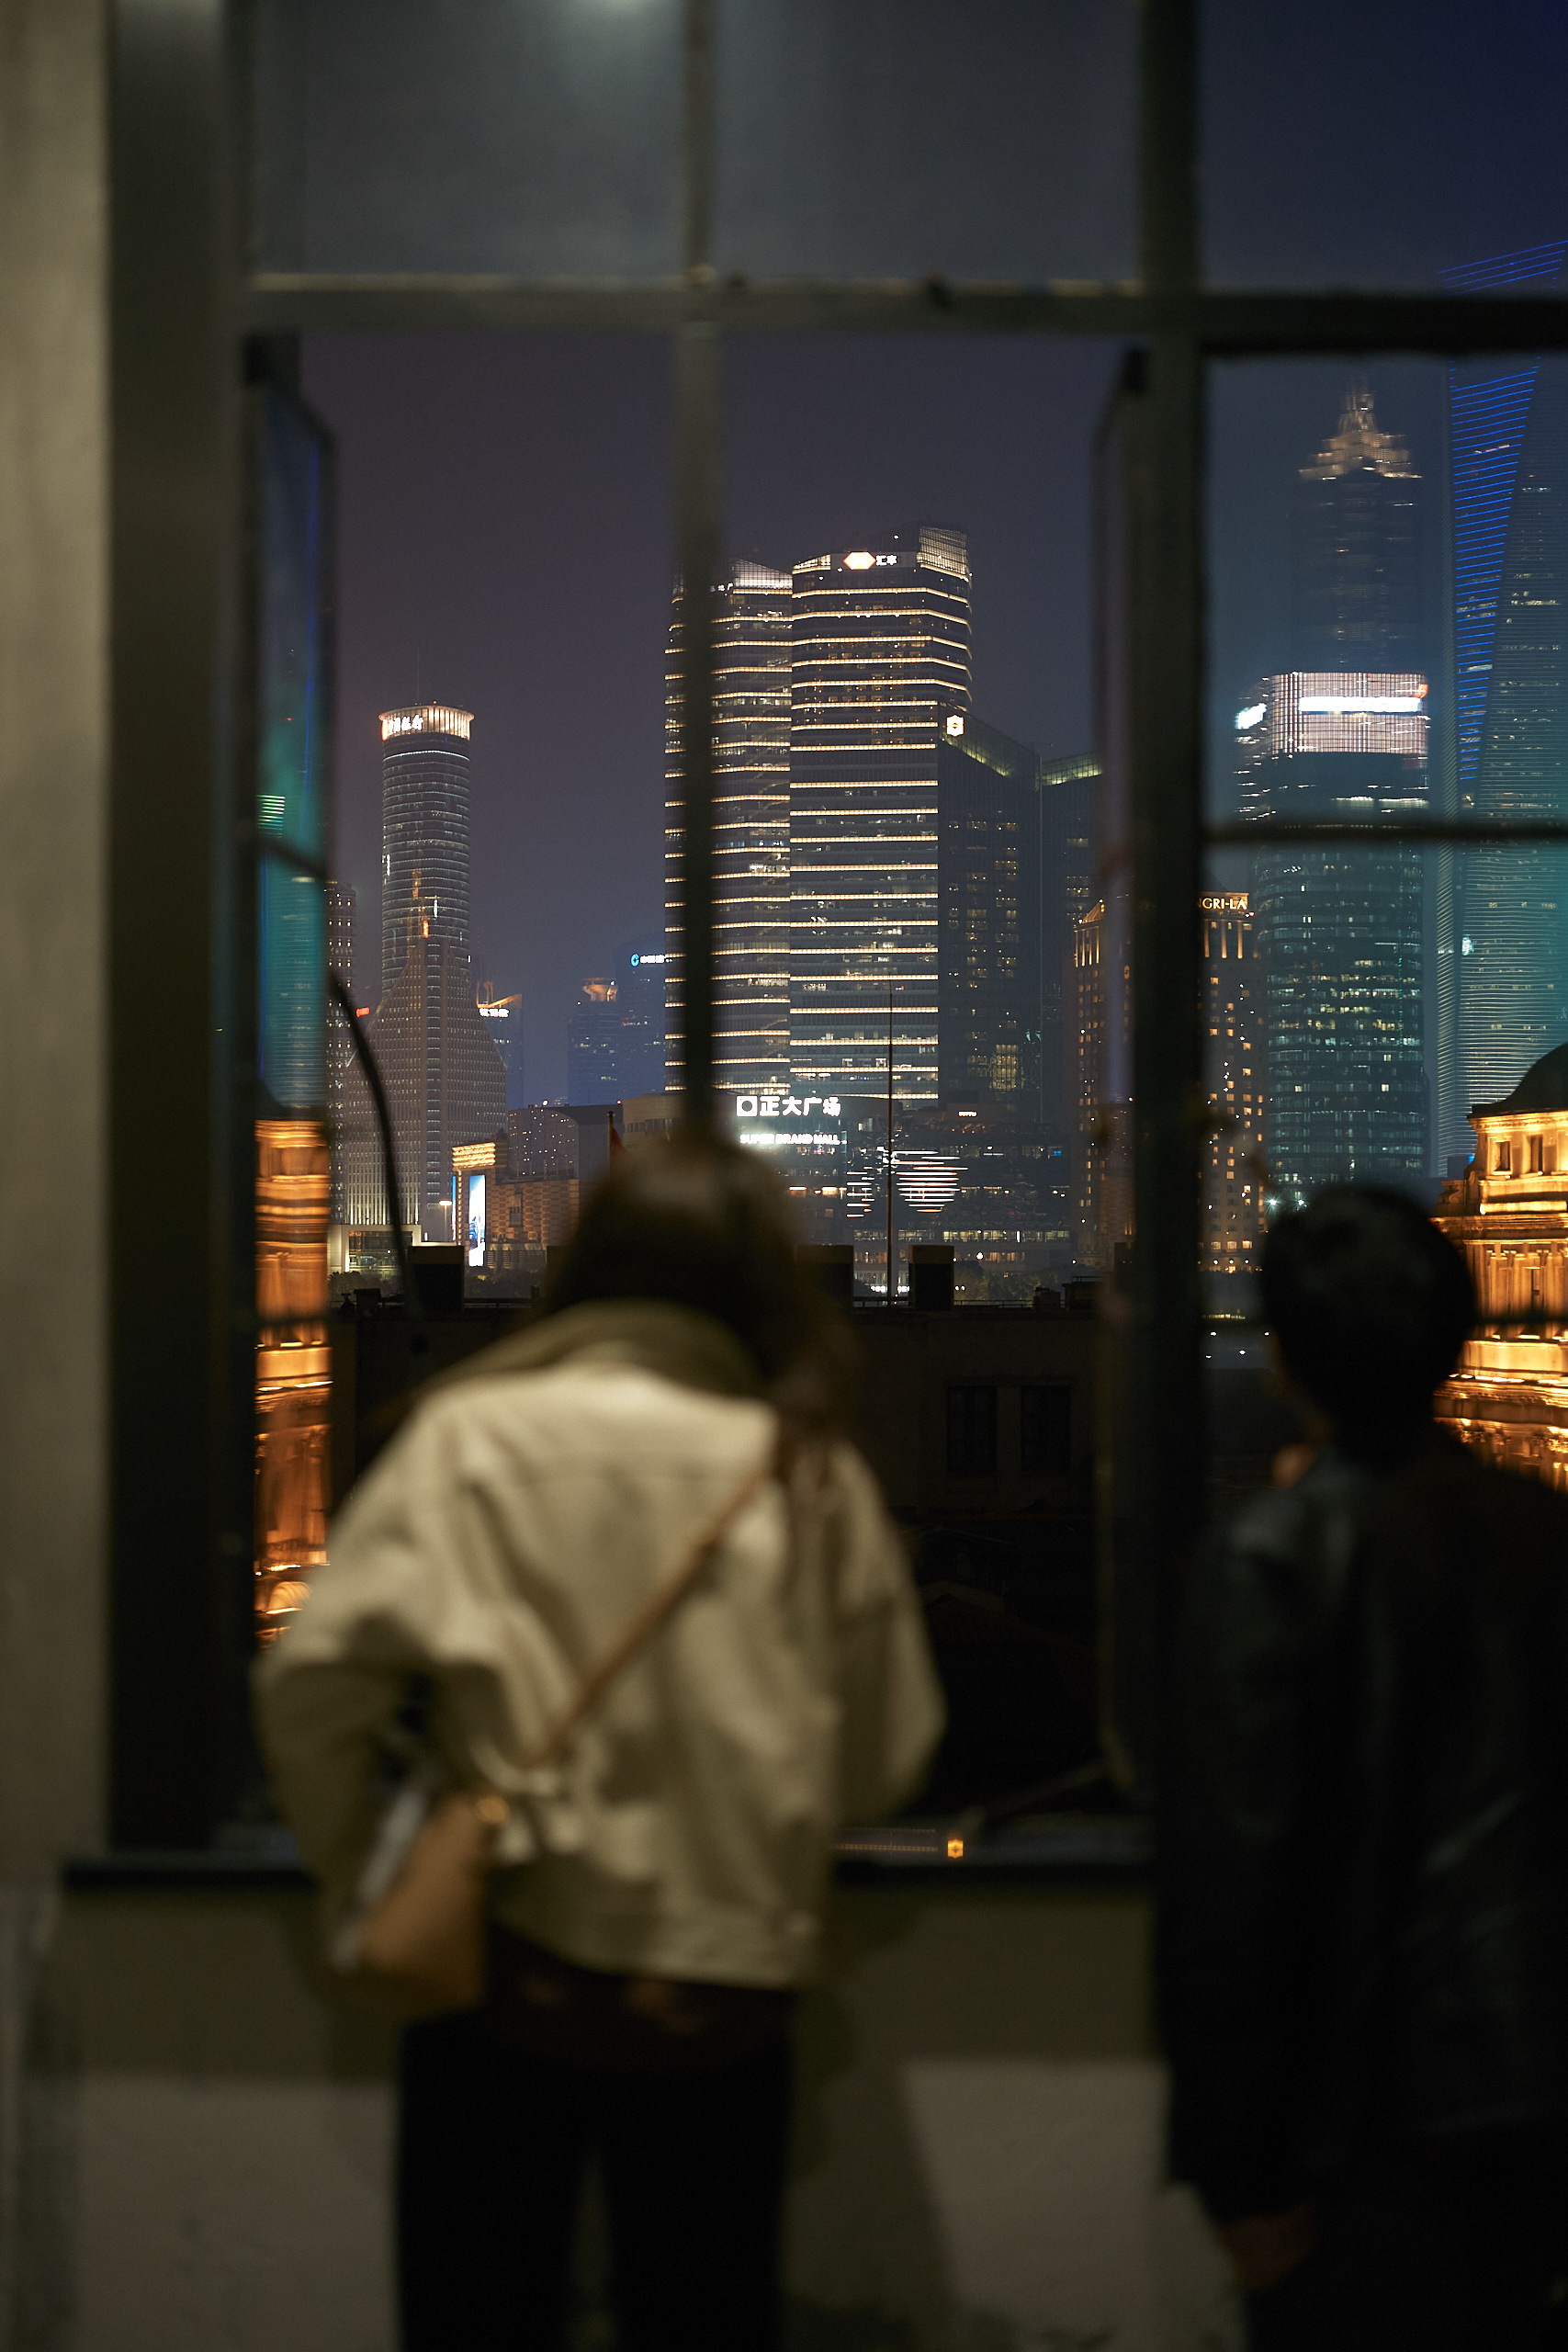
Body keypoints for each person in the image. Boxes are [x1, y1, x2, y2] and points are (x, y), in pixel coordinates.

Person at [256, 1136, 943, 2352]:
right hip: (718, 2000)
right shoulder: (804, 1474)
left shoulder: (473, 1437)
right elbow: (890, 1750)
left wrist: (362, 1856)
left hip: (501, 1981)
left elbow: (313, 1682)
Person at [1158, 1185, 1568, 2349]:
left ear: (1285, 1358)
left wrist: (1236, 2170)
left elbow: (1228, 1887)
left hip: (1344, 2122)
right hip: (1534, 2098)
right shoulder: (1544, 1539)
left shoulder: (1265, 1557)